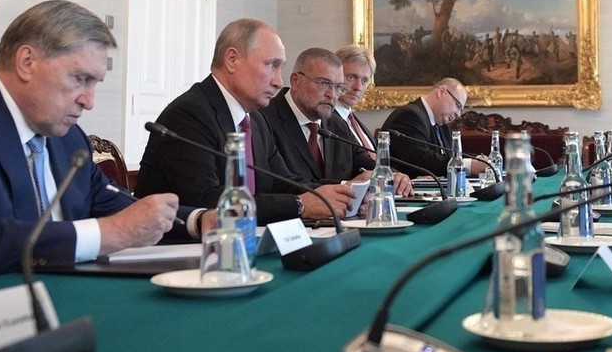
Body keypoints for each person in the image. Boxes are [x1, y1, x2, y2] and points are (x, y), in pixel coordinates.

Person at [0, 1, 200, 289]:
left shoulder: (69, 138)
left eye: (95, 83)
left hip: (66, 299)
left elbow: (120, 207)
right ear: (27, 62)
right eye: (80, 79)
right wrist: (112, 233)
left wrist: (198, 222)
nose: (89, 101)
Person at [137, 19, 355, 223]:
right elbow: (206, 201)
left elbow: (282, 181)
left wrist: (341, 194)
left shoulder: (256, 119)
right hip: (182, 244)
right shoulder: (189, 114)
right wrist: (299, 205)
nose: (279, 81)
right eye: (271, 65)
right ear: (232, 60)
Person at [262, 48, 411, 195]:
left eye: (339, 87)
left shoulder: (338, 125)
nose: (332, 95)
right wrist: (345, 186)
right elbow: (281, 184)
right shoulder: (264, 120)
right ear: (296, 81)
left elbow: (365, 164)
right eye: (323, 83)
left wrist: (393, 176)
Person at [381, 78, 484, 176]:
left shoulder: (442, 125)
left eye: (461, 110)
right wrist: (468, 165)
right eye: (458, 105)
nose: (458, 114)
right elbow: (422, 160)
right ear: (441, 92)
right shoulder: (409, 116)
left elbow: (450, 156)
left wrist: (478, 159)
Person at [333, 44, 377, 156]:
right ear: (333, 75)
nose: (358, 87)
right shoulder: (326, 121)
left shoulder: (353, 120)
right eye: (351, 77)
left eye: (364, 81)